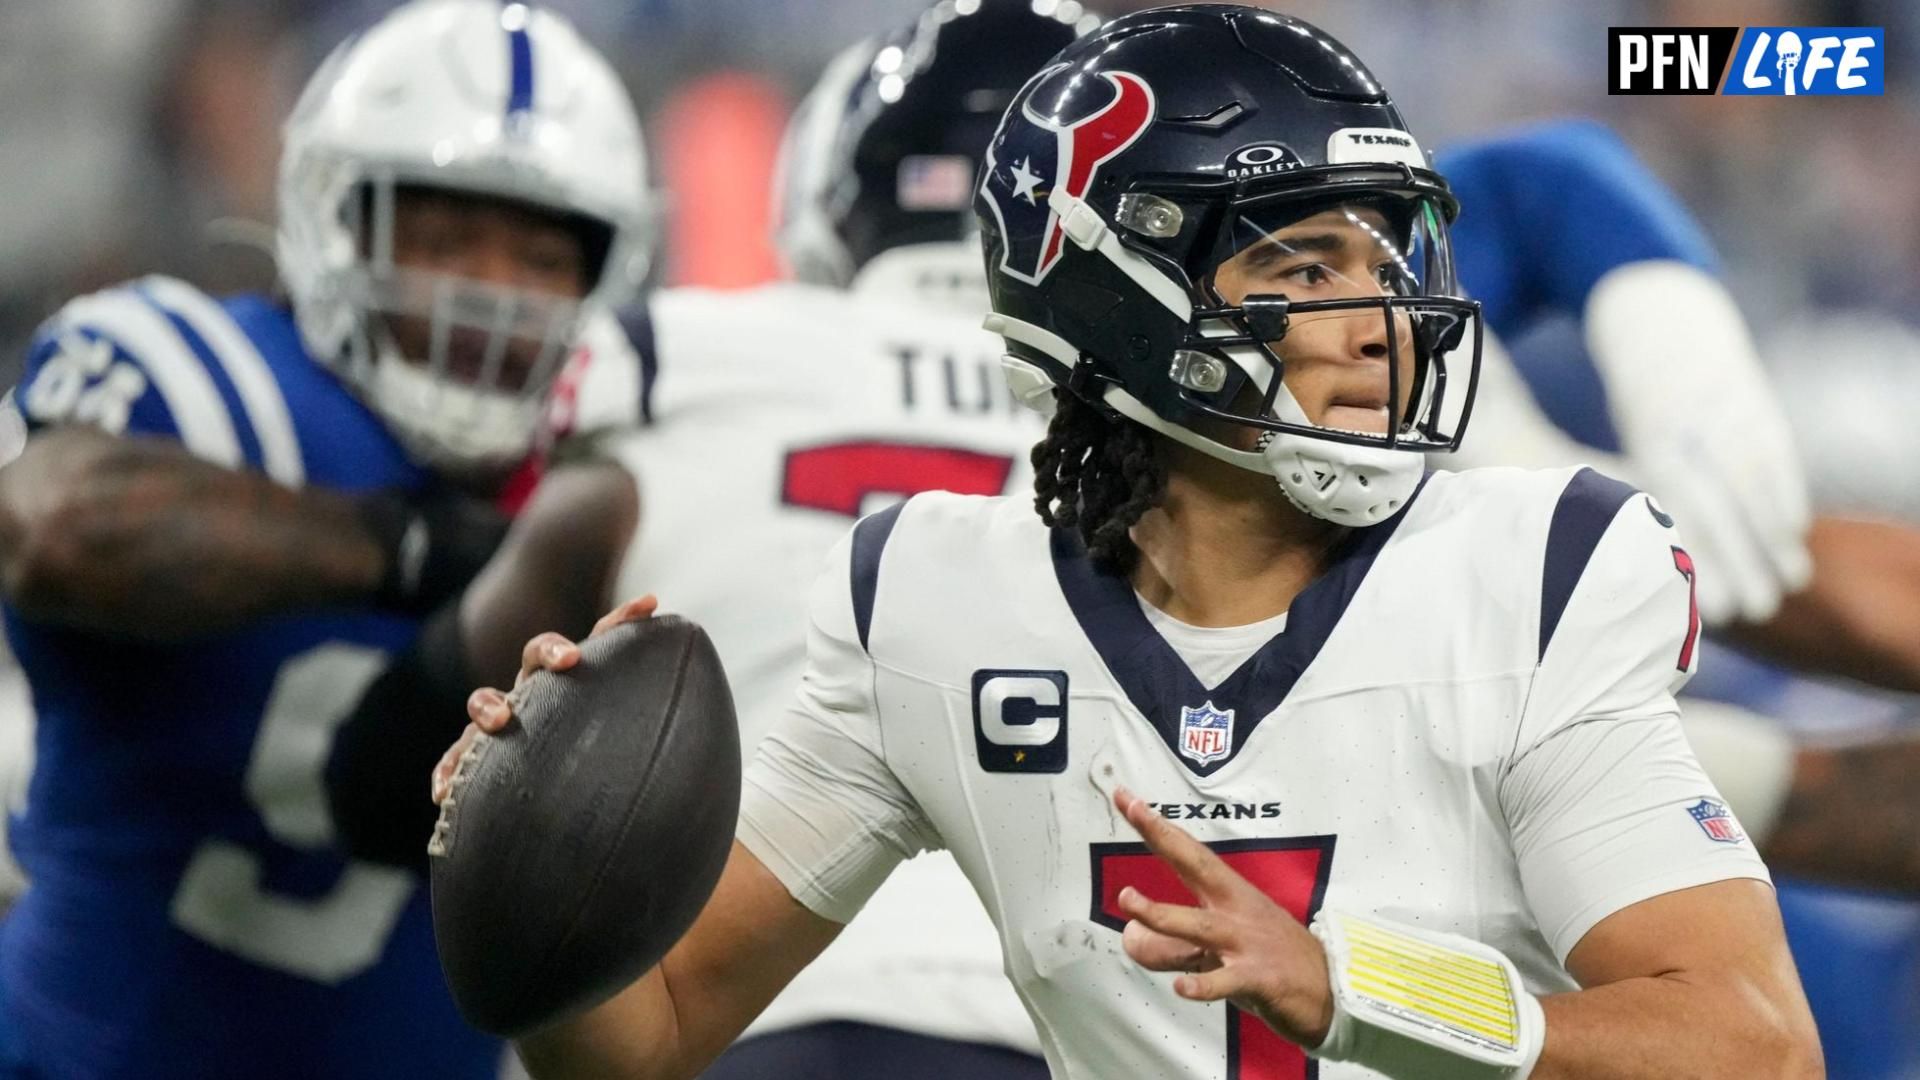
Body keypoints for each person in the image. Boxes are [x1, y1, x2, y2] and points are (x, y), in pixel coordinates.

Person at [437, 8, 1822, 1079]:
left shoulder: (1528, 573)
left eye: (1383, 262)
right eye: (1299, 270)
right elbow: (652, 1035)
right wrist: (534, 875)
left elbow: (1754, 1040)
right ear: (1117, 299)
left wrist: (1359, 987)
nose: (1375, 321)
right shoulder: (934, 604)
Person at [343, 3, 1079, 1075]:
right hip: (1064, 1025)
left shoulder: (677, 360)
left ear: (833, 196)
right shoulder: (1174, 441)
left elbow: (389, 764)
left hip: (725, 1006)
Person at [0, 2, 647, 1076]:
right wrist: (414, 549)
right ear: (334, 221)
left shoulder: (609, 471)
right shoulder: (217, 388)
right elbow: (51, 525)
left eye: (537, 257)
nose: (488, 292)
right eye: (445, 238)